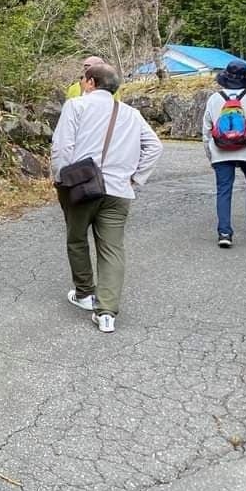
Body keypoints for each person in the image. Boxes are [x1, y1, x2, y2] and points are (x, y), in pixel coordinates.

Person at [51, 63, 162, 334]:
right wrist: (135, 177)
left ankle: (84, 294)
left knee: (77, 239)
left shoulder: (76, 106)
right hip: (118, 190)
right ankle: (107, 313)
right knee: (112, 249)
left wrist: (61, 179)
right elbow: (154, 146)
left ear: (90, 82)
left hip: (81, 187)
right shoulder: (132, 114)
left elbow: (62, 147)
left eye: (84, 79)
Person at [202, 60, 246, 249]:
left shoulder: (214, 99)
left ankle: (224, 233)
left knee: (223, 190)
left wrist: (210, 154)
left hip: (221, 149)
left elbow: (206, 130)